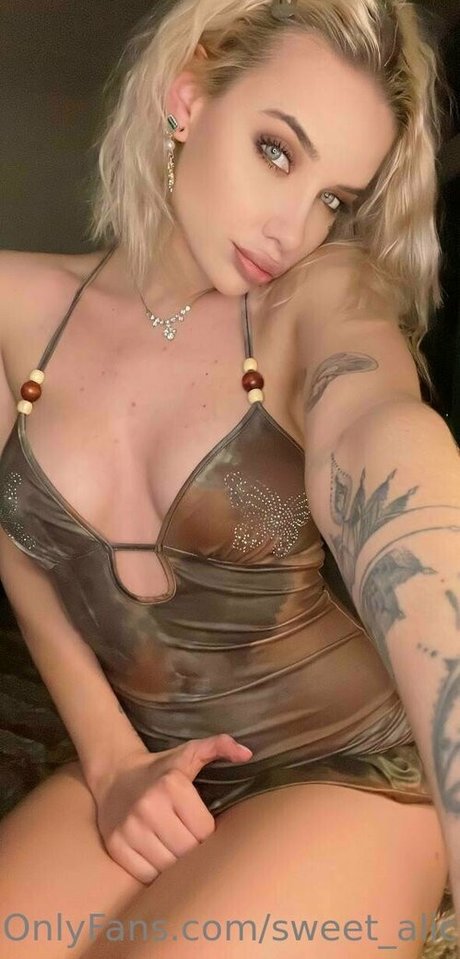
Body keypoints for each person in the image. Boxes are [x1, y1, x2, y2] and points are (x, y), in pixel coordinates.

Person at [0, 0, 459, 956]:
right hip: (155, 755)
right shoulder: (12, 309)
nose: (295, 228)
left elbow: (380, 434)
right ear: (189, 95)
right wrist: (111, 759)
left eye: (335, 200)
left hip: (347, 763)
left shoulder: (319, 298)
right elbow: (20, 553)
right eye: (277, 152)